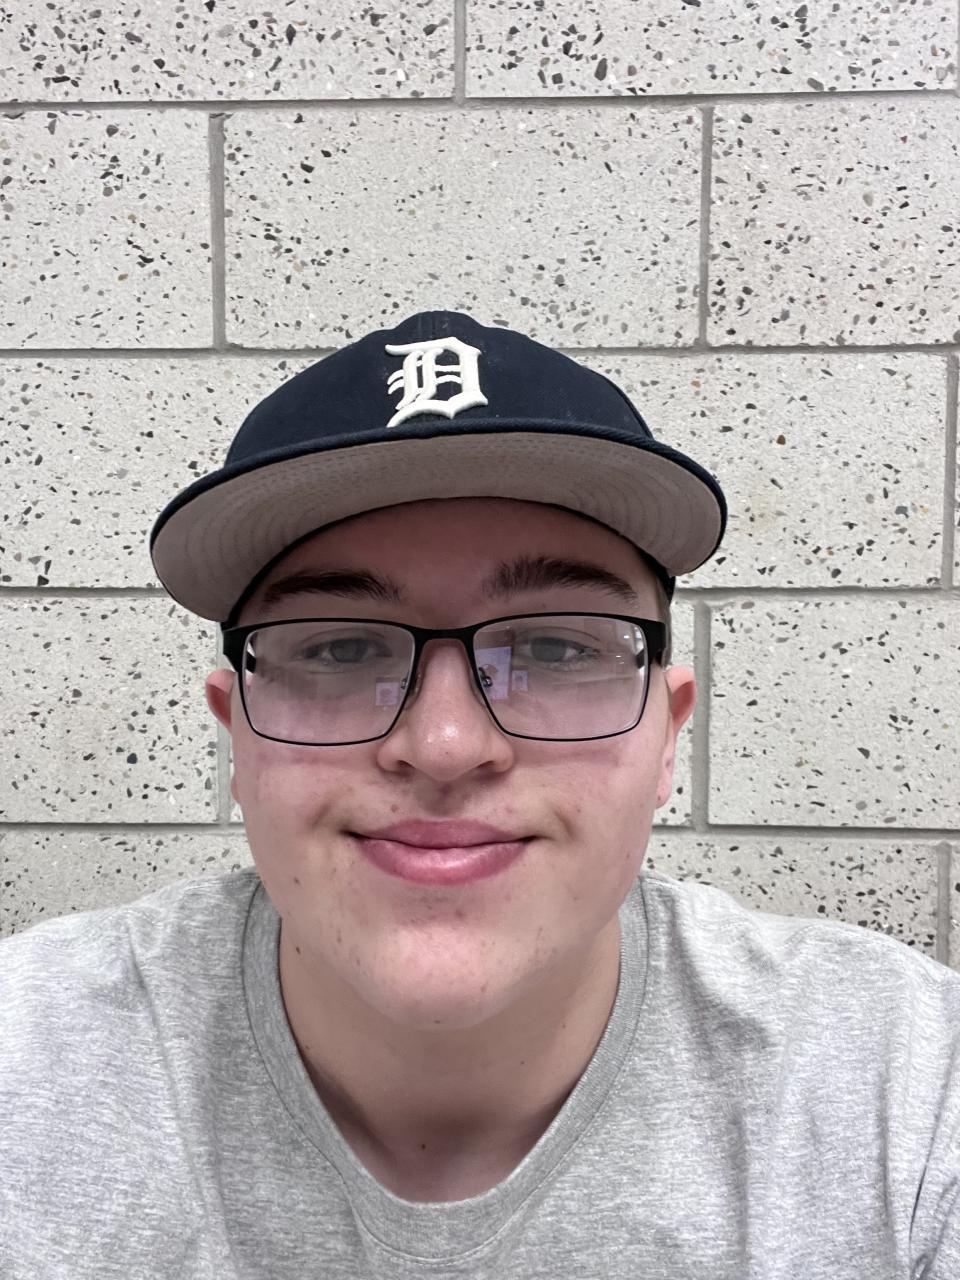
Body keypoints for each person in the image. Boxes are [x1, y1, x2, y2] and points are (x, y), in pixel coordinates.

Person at [0, 311, 956, 1278]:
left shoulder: (903, 1089)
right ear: (237, 736)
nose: (446, 746)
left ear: (667, 734)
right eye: (341, 648)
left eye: (553, 648)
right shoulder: (30, 1058)